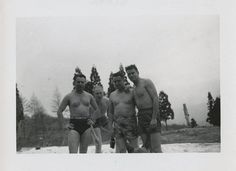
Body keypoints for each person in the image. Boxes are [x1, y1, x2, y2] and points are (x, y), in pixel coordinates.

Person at [57, 73, 98, 153]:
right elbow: (59, 111)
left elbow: (97, 110)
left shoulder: (89, 96)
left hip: (86, 124)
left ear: (85, 83)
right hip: (74, 125)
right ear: (74, 83)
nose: (80, 84)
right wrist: (64, 125)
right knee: (73, 153)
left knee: (83, 153)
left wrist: (93, 119)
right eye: (78, 82)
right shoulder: (69, 96)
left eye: (82, 82)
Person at [125, 64, 162, 153]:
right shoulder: (133, 88)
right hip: (141, 117)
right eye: (129, 74)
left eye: (133, 73)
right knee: (147, 147)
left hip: (151, 113)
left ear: (138, 72)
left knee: (156, 149)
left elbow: (155, 99)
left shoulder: (146, 82)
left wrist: (153, 118)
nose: (131, 75)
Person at [108, 71, 139, 153]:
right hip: (118, 125)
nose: (117, 83)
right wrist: (110, 127)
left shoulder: (131, 91)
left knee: (134, 150)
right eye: (114, 81)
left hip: (131, 124)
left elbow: (139, 106)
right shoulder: (112, 95)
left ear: (123, 80)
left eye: (119, 81)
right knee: (121, 151)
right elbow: (110, 112)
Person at [91, 85, 109, 153]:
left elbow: (110, 114)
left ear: (103, 92)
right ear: (94, 94)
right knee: (98, 142)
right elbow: (89, 121)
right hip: (93, 121)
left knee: (116, 132)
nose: (99, 95)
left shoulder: (106, 101)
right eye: (97, 93)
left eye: (100, 93)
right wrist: (94, 135)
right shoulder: (90, 103)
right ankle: (98, 154)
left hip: (103, 118)